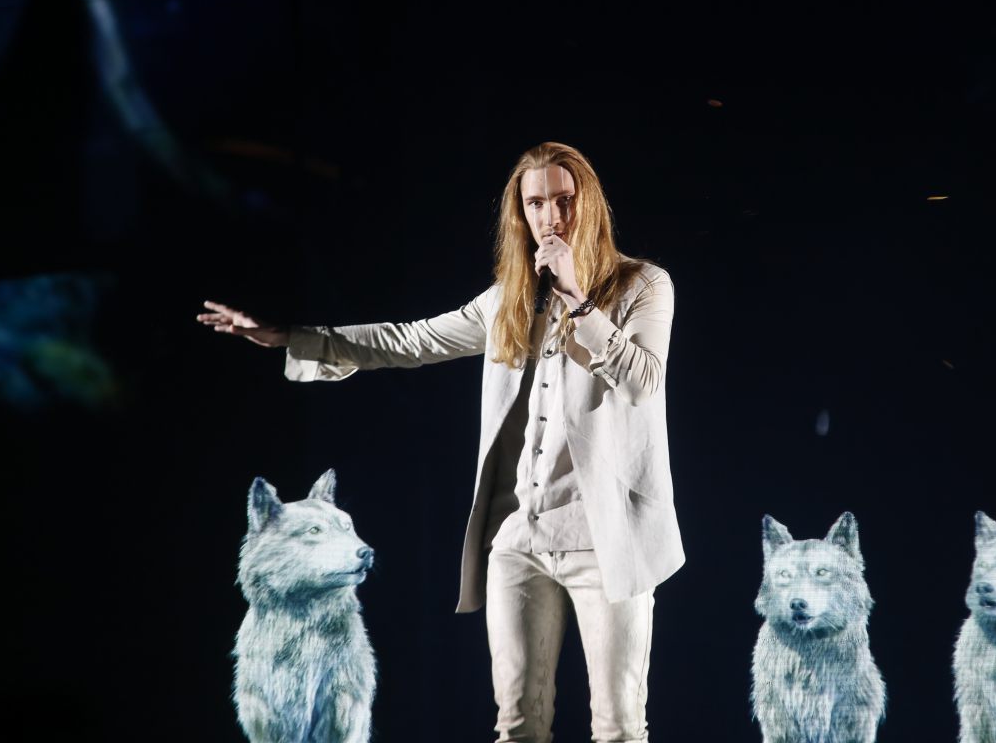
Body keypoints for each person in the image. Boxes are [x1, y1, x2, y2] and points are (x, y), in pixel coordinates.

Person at [198, 141, 684, 743]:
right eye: (536, 204)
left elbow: (643, 381)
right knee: (517, 726)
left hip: (606, 542)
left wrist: (578, 299)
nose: (551, 217)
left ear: (589, 204)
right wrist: (289, 337)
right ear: (521, 214)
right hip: (518, 541)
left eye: (564, 200)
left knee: (617, 727)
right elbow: (409, 341)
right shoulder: (509, 300)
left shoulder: (642, 284)